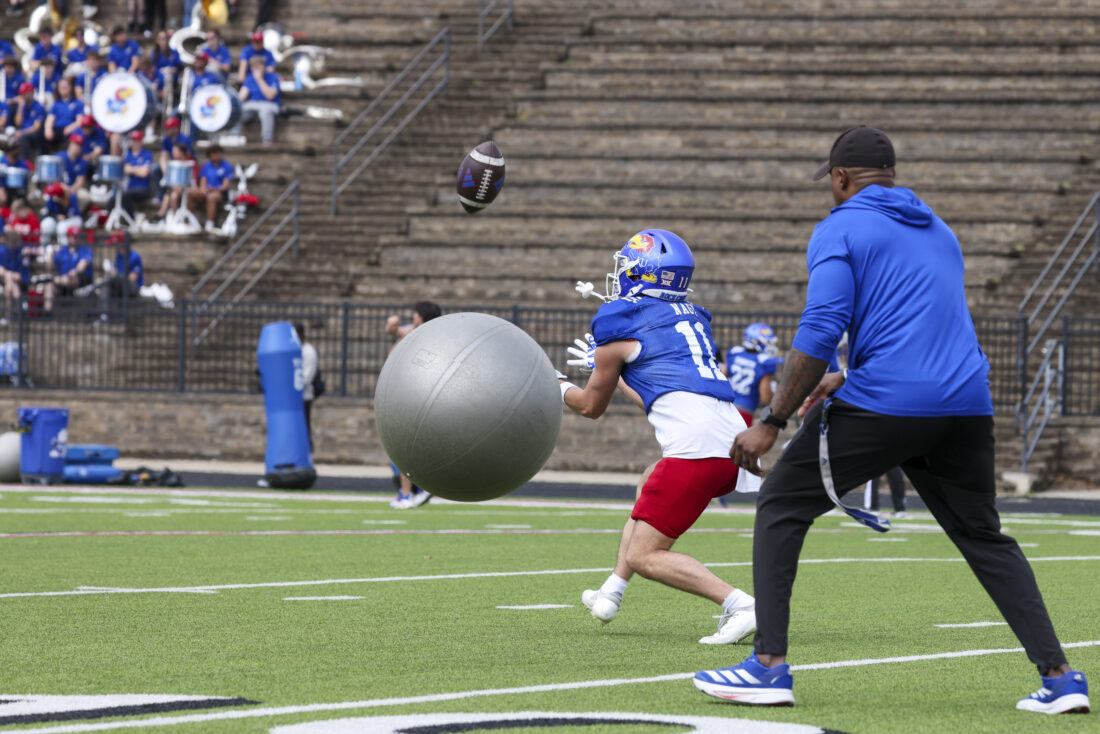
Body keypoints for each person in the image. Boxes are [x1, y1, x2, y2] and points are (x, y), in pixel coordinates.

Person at [694, 126, 1091, 715]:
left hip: (889, 405)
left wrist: (772, 420)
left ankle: (768, 668)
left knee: (780, 504)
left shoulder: (839, 227)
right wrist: (846, 376)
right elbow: (916, 327)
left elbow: (821, 328)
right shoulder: (941, 230)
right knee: (984, 537)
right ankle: (1060, 678)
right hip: (964, 405)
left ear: (840, 178)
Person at [559, 229, 760, 644]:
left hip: (699, 449)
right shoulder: (689, 317)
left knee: (645, 555)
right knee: (649, 477)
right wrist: (613, 371)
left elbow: (589, 407)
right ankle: (612, 591)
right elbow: (654, 395)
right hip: (732, 440)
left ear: (642, 272)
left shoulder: (619, 320)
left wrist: (556, 384)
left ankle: (740, 605)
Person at [384, 299, 442, 508]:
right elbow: (393, 331)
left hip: (412, 396)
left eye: (416, 314)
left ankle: (407, 494)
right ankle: (410, 491)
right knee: (405, 449)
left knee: (403, 448)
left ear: (422, 317)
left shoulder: (426, 335)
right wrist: (392, 325)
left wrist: (396, 329)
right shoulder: (416, 331)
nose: (413, 317)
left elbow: (401, 336)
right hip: (405, 394)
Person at [722, 322, 783, 424]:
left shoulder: (735, 352)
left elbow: (722, 375)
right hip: (745, 410)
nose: (770, 346)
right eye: (768, 342)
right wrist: (773, 394)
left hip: (725, 405)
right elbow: (765, 398)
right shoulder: (765, 362)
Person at [231, 55, 280, 145]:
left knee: (265, 111)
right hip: (252, 104)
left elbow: (270, 96)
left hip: (270, 104)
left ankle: (267, 140)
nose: (256, 69)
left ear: (263, 66)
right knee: (236, 112)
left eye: (258, 66)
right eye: (253, 67)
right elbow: (241, 96)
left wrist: (259, 79)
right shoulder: (250, 78)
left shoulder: (273, 77)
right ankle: (234, 138)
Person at [44, 230, 93, 316]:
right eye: (72, 236)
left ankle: (57, 280)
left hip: (80, 280)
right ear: (68, 237)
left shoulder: (84, 249)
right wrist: (51, 255)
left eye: (76, 236)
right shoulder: (63, 250)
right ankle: (47, 315)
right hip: (62, 281)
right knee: (49, 285)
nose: (75, 238)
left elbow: (83, 264)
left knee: (72, 277)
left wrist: (75, 271)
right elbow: (50, 268)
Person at [192, 144, 233, 232]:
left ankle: (210, 222)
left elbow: (226, 185)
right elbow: (203, 182)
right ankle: (191, 220)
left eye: (218, 153)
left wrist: (215, 189)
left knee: (212, 197)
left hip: (220, 192)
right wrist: (203, 189)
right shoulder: (206, 166)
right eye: (214, 154)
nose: (216, 155)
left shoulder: (227, 166)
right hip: (207, 191)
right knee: (190, 192)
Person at [294, 322, 318, 451]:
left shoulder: (308, 352)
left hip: (304, 396)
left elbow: (307, 377)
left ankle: (306, 452)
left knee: (303, 426)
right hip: (294, 396)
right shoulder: (295, 350)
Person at [121, 130, 154, 217]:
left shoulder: (147, 154)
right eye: (133, 140)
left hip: (143, 188)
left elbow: (144, 173)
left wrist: (132, 169)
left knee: (125, 196)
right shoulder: (127, 155)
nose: (134, 143)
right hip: (130, 188)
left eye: (137, 140)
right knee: (113, 199)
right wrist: (139, 169)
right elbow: (125, 170)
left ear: (141, 141)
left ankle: (132, 220)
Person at [13, 82, 47, 161]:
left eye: (24, 93)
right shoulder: (22, 106)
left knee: (23, 138)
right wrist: (20, 108)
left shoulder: (38, 107)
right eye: (21, 94)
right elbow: (18, 123)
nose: (22, 96)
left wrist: (22, 133)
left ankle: (26, 163)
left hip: (36, 134)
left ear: (31, 93)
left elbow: (36, 127)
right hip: (23, 131)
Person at [45, 77, 83, 147]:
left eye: (65, 86)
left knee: (75, 134)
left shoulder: (78, 103)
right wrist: (48, 129)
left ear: (70, 88)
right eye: (61, 87)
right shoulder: (56, 104)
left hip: (70, 130)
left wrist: (70, 128)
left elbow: (79, 121)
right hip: (58, 130)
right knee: (42, 135)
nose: (63, 88)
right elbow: (50, 119)